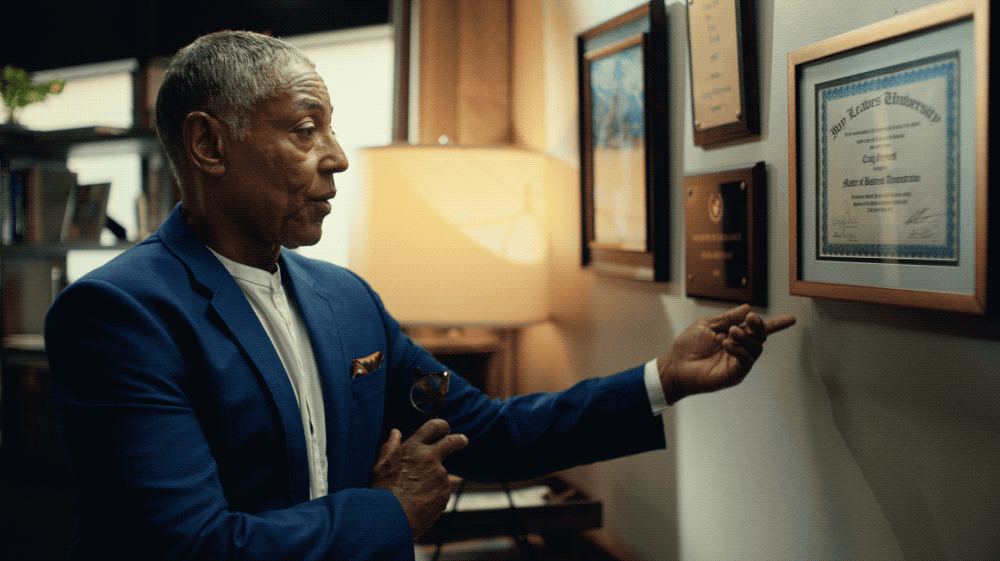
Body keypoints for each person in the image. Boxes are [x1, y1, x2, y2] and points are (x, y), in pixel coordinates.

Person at [44, 30, 795, 561]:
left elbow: (491, 432)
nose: (336, 157)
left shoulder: (346, 299)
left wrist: (663, 379)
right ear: (209, 146)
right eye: (307, 130)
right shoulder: (118, 314)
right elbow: (190, 545)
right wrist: (389, 511)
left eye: (331, 130)